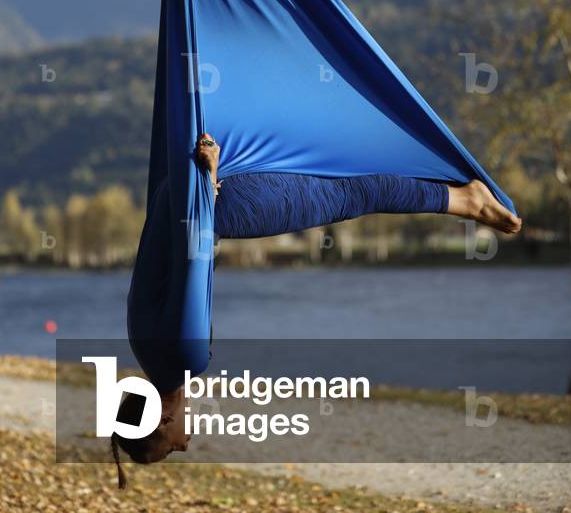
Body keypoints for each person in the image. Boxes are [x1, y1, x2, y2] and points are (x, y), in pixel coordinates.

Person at [113, 132, 521, 473]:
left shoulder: (185, 356)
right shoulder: (145, 346)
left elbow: (194, 257)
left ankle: (467, 201)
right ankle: (462, 200)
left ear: (161, 420)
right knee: (343, 186)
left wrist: (208, 183)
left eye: (168, 448)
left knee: (351, 193)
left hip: (212, 205)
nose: (183, 448)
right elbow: (168, 251)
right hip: (186, 195)